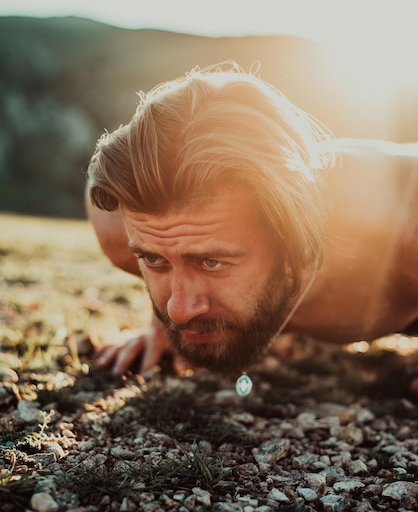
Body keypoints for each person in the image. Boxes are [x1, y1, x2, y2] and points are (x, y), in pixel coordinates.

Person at [86, 61, 418, 379]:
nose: (180, 311)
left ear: (292, 236)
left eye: (212, 262)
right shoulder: (120, 221)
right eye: (154, 259)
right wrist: (160, 330)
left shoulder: (400, 228)